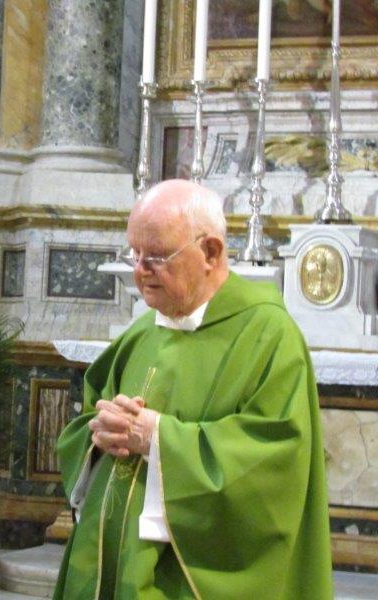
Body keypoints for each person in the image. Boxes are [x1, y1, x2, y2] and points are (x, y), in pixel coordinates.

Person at [54, 180, 332, 599]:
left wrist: (157, 437)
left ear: (211, 252)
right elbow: (89, 418)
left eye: (156, 256)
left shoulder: (268, 335)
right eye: (134, 254)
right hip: (111, 561)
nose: (140, 270)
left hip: (187, 576)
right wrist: (99, 435)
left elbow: (274, 460)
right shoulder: (143, 332)